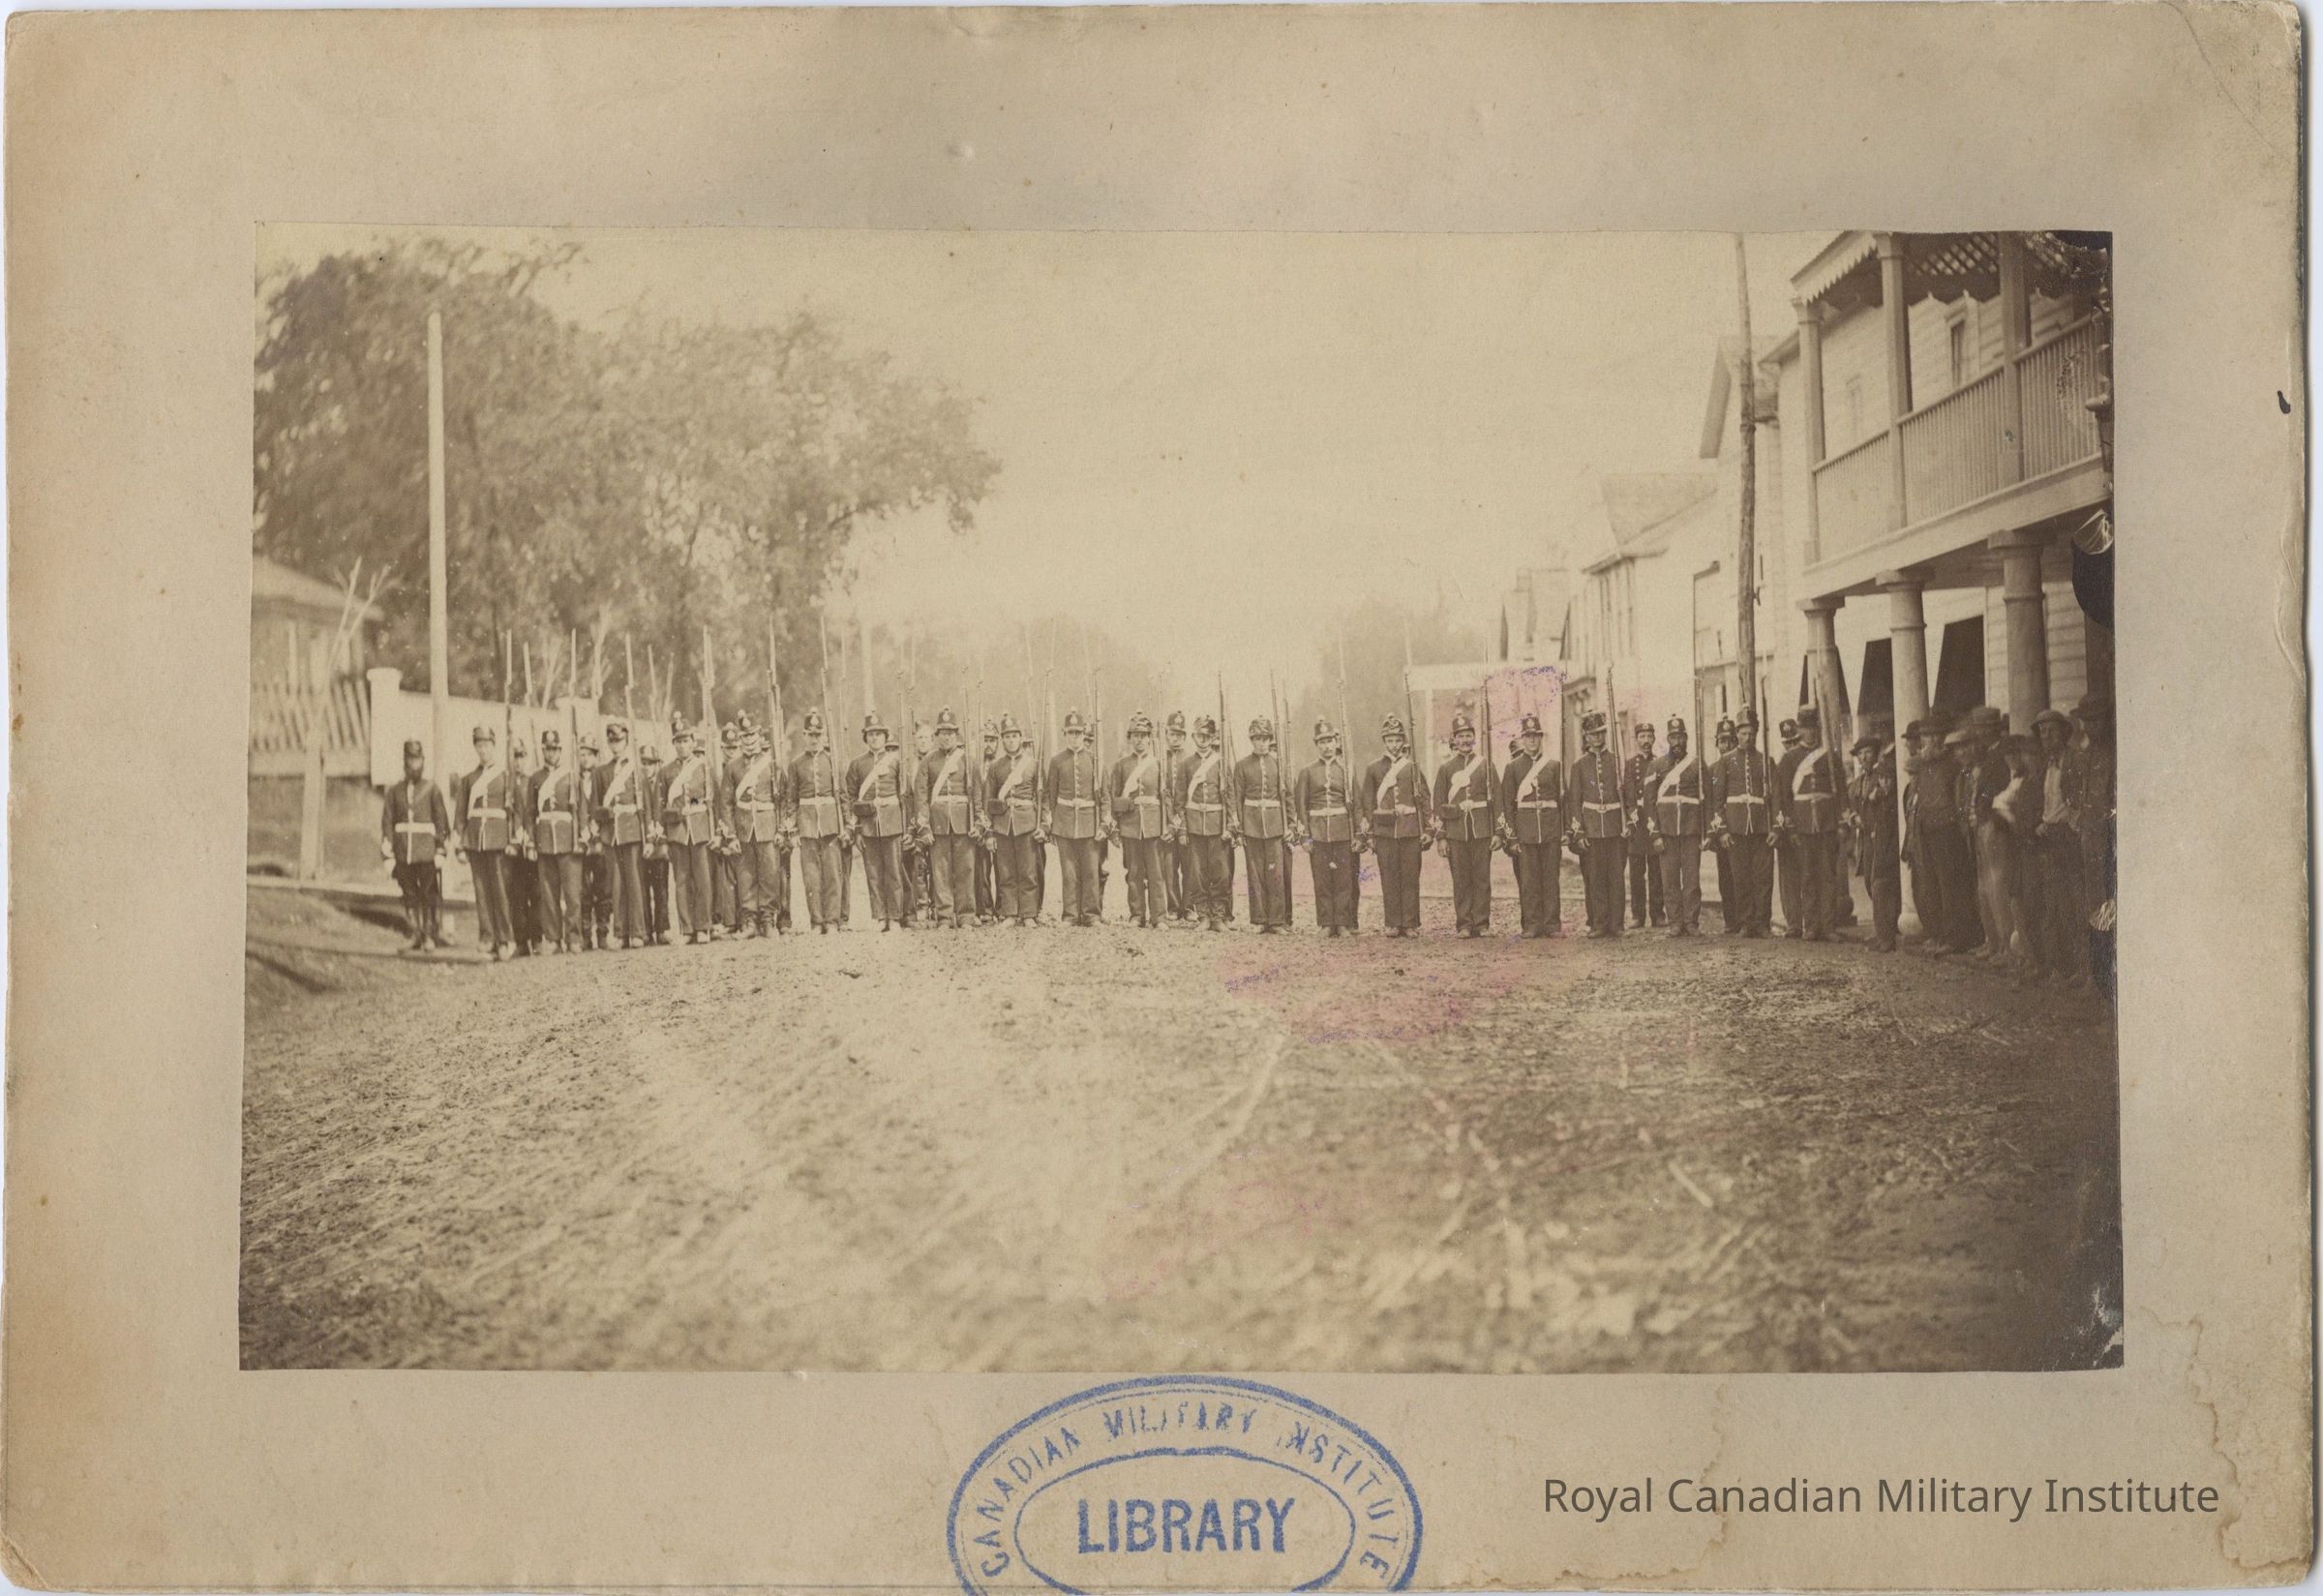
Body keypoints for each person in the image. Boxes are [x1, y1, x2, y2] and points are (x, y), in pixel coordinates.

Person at [1362, 713, 1432, 938]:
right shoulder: (1373, 768)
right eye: (1390, 740)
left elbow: (1425, 799)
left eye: (1397, 740)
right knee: (1389, 876)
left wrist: (1428, 829)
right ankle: (1392, 922)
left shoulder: (1412, 768)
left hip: (1410, 829)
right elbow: (1367, 803)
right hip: (1384, 831)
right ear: (1384, 741)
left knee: (1410, 877)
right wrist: (1370, 833)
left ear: (1403, 741)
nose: (1394, 744)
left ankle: (1410, 923)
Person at [451, 723, 516, 960]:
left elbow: (514, 812)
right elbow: (460, 814)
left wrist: (513, 840)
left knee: (500, 891)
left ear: (494, 746)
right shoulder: (469, 780)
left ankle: (505, 939)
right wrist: (459, 844)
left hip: (498, 840)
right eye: (479, 745)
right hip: (475, 840)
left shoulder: (505, 777)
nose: (483, 750)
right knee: (481, 891)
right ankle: (487, 937)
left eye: (487, 745)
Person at [380, 738, 452, 950]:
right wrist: (388, 854)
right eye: (411, 760)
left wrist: (441, 850)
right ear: (405, 762)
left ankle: (429, 935)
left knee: (428, 894)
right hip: (403, 853)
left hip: (427, 853)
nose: (415, 764)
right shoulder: (394, 792)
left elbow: (441, 822)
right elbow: (387, 823)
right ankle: (415, 934)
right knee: (409, 894)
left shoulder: (432, 789)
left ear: (423, 761)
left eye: (418, 760)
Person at [1433, 710, 1499, 938]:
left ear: (1474, 738)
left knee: (1481, 878)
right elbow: (1438, 804)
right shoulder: (1446, 769)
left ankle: (1481, 923)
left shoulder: (1486, 766)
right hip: (1456, 831)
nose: (1465, 740)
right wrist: (1441, 836)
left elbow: (1497, 801)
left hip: (1481, 829)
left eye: (1468, 735)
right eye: (1460, 736)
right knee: (1460, 879)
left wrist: (1498, 832)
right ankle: (1464, 924)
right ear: (1454, 739)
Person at [1708, 708, 1775, 937]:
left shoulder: (1765, 761)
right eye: (1744, 734)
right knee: (1741, 878)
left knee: (1763, 878)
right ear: (1737, 734)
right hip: (1736, 828)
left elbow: (1775, 798)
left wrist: (1775, 828)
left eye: (1752, 733)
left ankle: (1763, 923)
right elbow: (1718, 801)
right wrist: (1722, 831)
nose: (1748, 738)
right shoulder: (1726, 761)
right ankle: (1746, 923)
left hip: (1761, 827)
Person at [1781, 705, 1843, 942]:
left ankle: (1829, 926)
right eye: (1806, 728)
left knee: (1828, 875)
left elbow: (1840, 791)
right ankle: (1811, 925)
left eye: (1813, 727)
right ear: (1799, 730)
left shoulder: (1830, 757)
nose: (1810, 732)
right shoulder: (1790, 759)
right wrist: (1791, 827)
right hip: (1803, 823)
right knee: (1807, 875)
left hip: (1826, 822)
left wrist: (1842, 822)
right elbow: (1784, 797)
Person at [1291, 718, 1359, 936]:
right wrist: (1304, 836)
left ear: (1336, 742)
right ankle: (1326, 922)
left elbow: (1357, 804)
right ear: (1316, 744)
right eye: (1322, 742)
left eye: (1329, 741)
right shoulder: (1307, 772)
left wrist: (1358, 834)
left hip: (1342, 830)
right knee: (1321, 879)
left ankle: (1342, 922)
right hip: (1317, 831)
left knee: (1343, 879)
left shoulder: (1346, 770)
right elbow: (1301, 805)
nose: (1327, 746)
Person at [916, 708, 980, 929]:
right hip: (938, 823)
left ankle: (966, 916)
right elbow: (921, 797)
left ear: (956, 734)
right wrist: (924, 827)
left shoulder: (968, 761)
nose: (947, 737)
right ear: (937, 735)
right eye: (943, 733)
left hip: (964, 822)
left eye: (950, 733)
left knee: (966, 870)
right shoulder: (928, 762)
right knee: (940, 872)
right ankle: (944, 916)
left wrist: (978, 822)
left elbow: (977, 795)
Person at [1500, 712, 1564, 938]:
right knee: (1529, 881)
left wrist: (1563, 830)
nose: (1533, 740)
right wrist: (1512, 837)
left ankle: (1552, 924)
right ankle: (1532, 924)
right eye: (1528, 736)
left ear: (1541, 738)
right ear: (1523, 739)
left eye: (1536, 735)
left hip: (1550, 829)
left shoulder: (1554, 766)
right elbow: (1507, 805)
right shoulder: (1513, 768)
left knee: (1550, 879)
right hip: (1525, 832)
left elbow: (1561, 801)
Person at [591, 720, 653, 950]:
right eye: (612, 741)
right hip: (611, 832)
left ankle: (638, 932)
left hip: (632, 831)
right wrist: (598, 827)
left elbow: (646, 806)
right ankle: (620, 933)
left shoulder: (637, 771)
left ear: (626, 741)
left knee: (635, 883)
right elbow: (595, 805)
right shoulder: (601, 772)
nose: (615, 745)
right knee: (616, 884)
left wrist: (649, 837)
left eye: (619, 741)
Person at [1106, 711, 1171, 928]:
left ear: (1150, 738)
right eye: (1135, 735)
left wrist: (1168, 825)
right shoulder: (1121, 765)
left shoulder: (1158, 764)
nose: (1139, 739)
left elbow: (1166, 797)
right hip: (1130, 825)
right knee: (1133, 872)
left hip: (1153, 824)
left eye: (1143, 735)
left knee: (1156, 873)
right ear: (1130, 738)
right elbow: (1114, 798)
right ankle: (1136, 915)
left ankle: (1159, 917)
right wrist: (1116, 828)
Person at [1645, 714, 1708, 935]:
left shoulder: (1697, 765)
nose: (1677, 742)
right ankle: (1675, 922)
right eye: (1673, 738)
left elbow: (1707, 799)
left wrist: (1706, 833)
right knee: (1669, 880)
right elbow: (1649, 803)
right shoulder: (1656, 766)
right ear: (1668, 739)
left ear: (1686, 738)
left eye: (1680, 737)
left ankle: (1691, 922)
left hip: (1691, 830)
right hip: (1667, 831)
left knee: (1692, 880)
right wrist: (1655, 834)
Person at [847, 711, 910, 931]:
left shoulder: (896, 762)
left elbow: (904, 796)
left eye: (878, 734)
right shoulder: (857, 764)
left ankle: (895, 917)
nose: (874, 738)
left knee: (894, 872)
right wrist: (857, 830)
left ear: (885, 736)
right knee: (873, 873)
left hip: (892, 823)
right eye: (871, 734)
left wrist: (906, 827)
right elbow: (852, 798)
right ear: (866, 738)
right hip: (868, 826)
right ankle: (880, 916)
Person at [1229, 716, 1292, 932]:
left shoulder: (1279, 764)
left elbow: (1288, 796)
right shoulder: (1242, 766)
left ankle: (1277, 920)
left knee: (1276, 874)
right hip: (1251, 824)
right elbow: (1237, 798)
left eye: (1265, 738)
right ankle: (1259, 920)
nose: (1262, 743)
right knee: (1255, 874)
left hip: (1275, 824)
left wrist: (1291, 824)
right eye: (1257, 738)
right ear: (1252, 740)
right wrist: (1239, 828)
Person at [661, 718, 719, 946]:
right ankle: (687, 929)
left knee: (703, 880)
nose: (682, 745)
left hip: (700, 828)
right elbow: (661, 805)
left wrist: (716, 831)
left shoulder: (704, 768)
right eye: (678, 741)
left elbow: (712, 799)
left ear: (693, 742)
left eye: (686, 741)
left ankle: (703, 927)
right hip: (677, 830)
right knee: (682, 880)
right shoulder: (666, 772)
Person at [1568, 709, 1626, 937]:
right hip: (1592, 828)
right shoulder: (1579, 765)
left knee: (1616, 878)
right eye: (1593, 734)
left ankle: (1617, 924)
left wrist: (1628, 824)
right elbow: (1574, 802)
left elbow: (1628, 797)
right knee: (1596, 878)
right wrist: (1579, 832)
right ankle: (1599, 923)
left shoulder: (1616, 761)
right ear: (1586, 736)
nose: (1598, 738)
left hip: (1615, 827)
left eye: (1601, 733)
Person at [2073, 693, 2117, 1001]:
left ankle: (2108, 979)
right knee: (2092, 906)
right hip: (2090, 839)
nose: (2091, 727)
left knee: (2108, 908)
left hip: (2108, 840)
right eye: (2087, 721)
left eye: (2096, 720)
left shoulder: (2115, 753)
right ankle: (2096, 977)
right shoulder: (2086, 755)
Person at [727, 722, 787, 937]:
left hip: (767, 827)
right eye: (745, 736)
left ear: (760, 736)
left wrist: (781, 829)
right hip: (743, 828)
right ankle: (750, 922)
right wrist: (731, 835)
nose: (749, 740)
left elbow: (783, 799)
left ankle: (769, 920)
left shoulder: (772, 765)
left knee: (769, 875)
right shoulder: (732, 767)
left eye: (752, 735)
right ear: (740, 739)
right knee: (746, 877)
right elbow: (725, 804)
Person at [528, 728, 586, 953]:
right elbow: (530, 812)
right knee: (548, 893)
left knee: (572, 894)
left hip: (568, 840)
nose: (551, 753)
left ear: (560, 750)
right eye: (547, 749)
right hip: (544, 839)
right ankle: (552, 938)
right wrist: (531, 842)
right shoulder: (536, 778)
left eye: (554, 749)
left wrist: (581, 838)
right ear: (543, 750)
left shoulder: (571, 776)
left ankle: (574, 937)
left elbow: (582, 810)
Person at [788, 710, 846, 933]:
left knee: (832, 874)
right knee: (811, 876)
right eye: (810, 734)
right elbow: (792, 800)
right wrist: (793, 828)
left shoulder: (833, 761)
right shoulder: (796, 764)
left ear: (823, 736)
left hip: (831, 824)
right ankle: (817, 921)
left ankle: (832, 921)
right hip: (807, 824)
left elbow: (843, 797)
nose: (814, 739)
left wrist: (847, 825)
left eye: (818, 734)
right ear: (803, 735)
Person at [1045, 709, 1104, 926]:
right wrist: (1052, 823)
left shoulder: (1094, 760)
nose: (1074, 737)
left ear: (1083, 734)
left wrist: (1104, 824)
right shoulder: (1057, 761)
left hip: (1090, 822)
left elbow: (1104, 796)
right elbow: (1051, 795)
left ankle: (1091, 914)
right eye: (1070, 733)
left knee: (1091, 872)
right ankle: (1070, 915)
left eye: (1078, 733)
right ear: (1065, 734)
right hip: (1064, 823)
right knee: (1069, 873)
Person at [1176, 714, 1234, 930]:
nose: (1203, 740)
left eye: (1207, 736)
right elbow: (1179, 800)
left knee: (1220, 873)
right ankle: (1203, 916)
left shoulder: (1221, 763)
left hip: (1217, 825)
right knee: (1197, 873)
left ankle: (1218, 916)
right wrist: (1182, 829)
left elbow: (1230, 797)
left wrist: (1230, 826)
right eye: (1199, 736)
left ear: (1212, 738)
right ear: (1194, 737)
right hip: (1194, 825)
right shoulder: (1186, 764)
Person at [985, 715, 1045, 926]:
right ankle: (1010, 913)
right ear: (1002, 739)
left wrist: (1043, 826)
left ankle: (1028, 914)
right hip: (1002, 825)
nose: (1011, 740)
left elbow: (1043, 798)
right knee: (1006, 871)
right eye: (1007, 737)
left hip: (1027, 823)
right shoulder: (996, 767)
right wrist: (989, 833)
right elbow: (988, 801)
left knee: (1028, 871)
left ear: (1021, 738)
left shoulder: (1033, 765)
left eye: (1014, 736)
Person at [1851, 734, 1902, 952]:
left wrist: (1879, 793)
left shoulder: (1882, 776)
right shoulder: (1859, 782)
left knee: (1881, 882)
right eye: (1860, 754)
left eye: (1868, 753)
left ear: (1875, 754)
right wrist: (1854, 817)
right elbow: (1853, 805)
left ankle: (1888, 931)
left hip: (1881, 836)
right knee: (1870, 884)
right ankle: (1882, 929)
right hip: (1866, 838)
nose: (1864, 757)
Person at [1623, 719, 1667, 928]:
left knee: (1656, 871)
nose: (1646, 740)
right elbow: (1629, 795)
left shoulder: (1660, 763)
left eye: (1649, 736)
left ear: (1654, 738)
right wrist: (1632, 820)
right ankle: (1637, 915)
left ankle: (1658, 914)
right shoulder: (1630, 765)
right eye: (1642, 737)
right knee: (1636, 873)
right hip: (1638, 822)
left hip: (1654, 820)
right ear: (1636, 739)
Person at [503, 737, 541, 956]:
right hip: (512, 848)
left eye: (522, 757)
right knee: (516, 896)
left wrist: (530, 839)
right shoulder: (506, 783)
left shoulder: (532, 782)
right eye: (515, 757)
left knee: (535, 893)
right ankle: (520, 941)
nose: (518, 762)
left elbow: (533, 813)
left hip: (530, 844)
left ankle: (537, 939)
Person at [577, 733, 614, 949]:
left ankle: (602, 932)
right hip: (581, 841)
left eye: (589, 754)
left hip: (600, 838)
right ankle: (585, 935)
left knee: (603, 887)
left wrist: (597, 827)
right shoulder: (574, 779)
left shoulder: (602, 777)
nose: (585, 759)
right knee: (583, 889)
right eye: (582, 754)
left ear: (596, 756)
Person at [1161, 711, 1195, 922]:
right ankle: (1173, 907)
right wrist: (1167, 821)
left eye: (1179, 735)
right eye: (1172, 734)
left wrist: (1181, 821)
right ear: (1166, 735)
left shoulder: (1190, 760)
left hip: (1186, 819)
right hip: (1166, 819)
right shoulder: (1159, 759)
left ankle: (1189, 906)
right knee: (1169, 866)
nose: (1175, 738)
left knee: (1189, 865)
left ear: (1184, 736)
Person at [1772, 716, 1806, 937]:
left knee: (1809, 875)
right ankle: (1794, 923)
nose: (1791, 746)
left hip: (1807, 827)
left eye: (1795, 741)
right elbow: (1777, 798)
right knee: (1789, 878)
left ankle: (1811, 920)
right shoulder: (1780, 766)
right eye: (1788, 743)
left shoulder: (1808, 763)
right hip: (1787, 828)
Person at [1706, 719, 1740, 933]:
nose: (1726, 746)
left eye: (1730, 741)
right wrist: (1715, 832)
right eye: (1722, 741)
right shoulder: (1712, 770)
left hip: (1740, 828)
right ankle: (1731, 921)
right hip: (1722, 830)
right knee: (1726, 877)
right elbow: (1710, 804)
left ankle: (1746, 919)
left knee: (1743, 876)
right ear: (1717, 744)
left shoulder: (1740, 766)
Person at [638, 742, 672, 944]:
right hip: (642, 841)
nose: (647, 767)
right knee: (643, 887)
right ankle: (646, 930)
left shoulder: (663, 784)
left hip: (660, 843)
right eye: (644, 763)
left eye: (651, 763)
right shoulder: (638, 784)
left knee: (661, 888)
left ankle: (662, 928)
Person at [974, 719, 1004, 925]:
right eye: (985, 740)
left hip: (999, 823)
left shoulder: (1003, 766)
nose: (989, 744)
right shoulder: (973, 766)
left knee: (1003, 868)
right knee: (981, 868)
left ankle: (1002, 908)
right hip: (979, 823)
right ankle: (984, 908)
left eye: (992, 740)